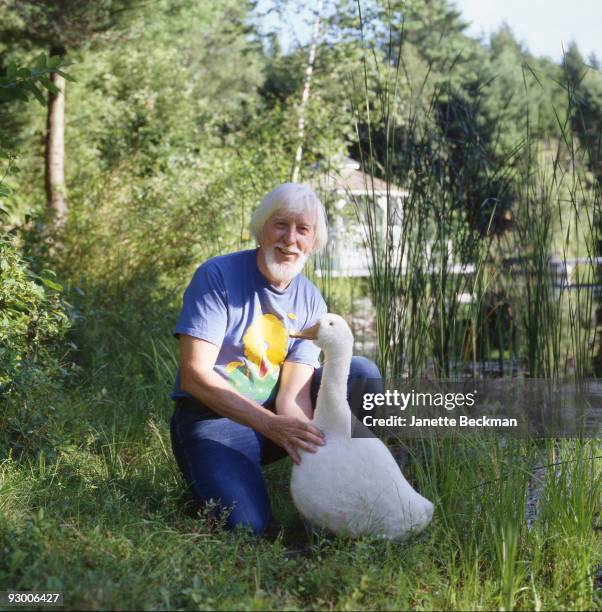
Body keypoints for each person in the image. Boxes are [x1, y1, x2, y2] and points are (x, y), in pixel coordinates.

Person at [170, 182, 381, 534]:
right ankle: (216, 478)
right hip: (212, 420)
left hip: (272, 425)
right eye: (280, 224)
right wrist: (269, 424)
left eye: (303, 229)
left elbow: (293, 396)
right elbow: (194, 376)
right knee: (246, 527)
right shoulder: (217, 276)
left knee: (361, 372)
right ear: (261, 229)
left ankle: (346, 490)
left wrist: (310, 448)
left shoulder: (311, 299)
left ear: (313, 242)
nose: (290, 239)